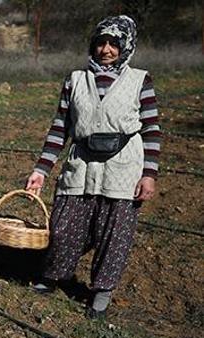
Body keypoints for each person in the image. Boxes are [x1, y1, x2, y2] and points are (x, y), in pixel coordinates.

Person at [25, 15, 161, 319]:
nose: (107, 49)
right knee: (63, 227)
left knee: (114, 232)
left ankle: (101, 291)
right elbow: (60, 128)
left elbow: (151, 130)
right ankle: (54, 276)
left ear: (126, 46)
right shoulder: (75, 79)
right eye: (101, 42)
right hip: (81, 163)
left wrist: (149, 174)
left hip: (123, 166)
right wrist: (41, 170)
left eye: (114, 43)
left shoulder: (140, 80)